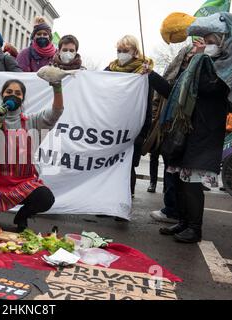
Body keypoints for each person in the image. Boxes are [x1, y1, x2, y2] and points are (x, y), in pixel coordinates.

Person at [147, 14, 232, 243]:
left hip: (205, 132)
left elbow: (209, 89)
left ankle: (195, 228)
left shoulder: (224, 67)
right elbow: (173, 92)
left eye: (210, 40)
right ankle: (183, 222)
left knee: (192, 182)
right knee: (182, 181)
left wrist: (201, 58)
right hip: (187, 131)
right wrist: (152, 75)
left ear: (223, 41)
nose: (204, 44)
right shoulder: (199, 64)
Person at [0, 79, 64, 232]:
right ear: (2, 95)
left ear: (23, 99)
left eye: (18, 93)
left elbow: (56, 112)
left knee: (45, 198)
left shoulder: (33, 121)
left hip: (23, 182)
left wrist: (57, 88)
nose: (13, 96)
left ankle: (22, 216)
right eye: (9, 92)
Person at [148, 45, 197, 223]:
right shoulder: (181, 76)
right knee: (171, 170)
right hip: (172, 127)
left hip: (185, 129)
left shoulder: (198, 74)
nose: (186, 59)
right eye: (185, 57)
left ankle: (176, 212)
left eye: (191, 56)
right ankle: (174, 210)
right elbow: (169, 92)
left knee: (178, 173)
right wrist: (152, 75)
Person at [105, 35, 153, 200]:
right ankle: (107, 203)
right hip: (112, 129)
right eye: (119, 51)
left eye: (125, 51)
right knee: (110, 167)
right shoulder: (110, 69)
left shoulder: (145, 71)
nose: (121, 54)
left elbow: (148, 105)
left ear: (135, 52)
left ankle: (125, 202)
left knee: (128, 167)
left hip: (134, 131)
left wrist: (142, 132)